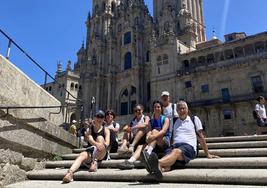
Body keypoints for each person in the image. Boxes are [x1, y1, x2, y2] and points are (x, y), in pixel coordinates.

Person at [142, 101, 219, 179]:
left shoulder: (194, 119)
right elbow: (171, 137)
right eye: (179, 109)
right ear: (177, 111)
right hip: (174, 146)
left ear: (187, 109)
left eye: (183, 108)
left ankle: (154, 164)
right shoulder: (174, 121)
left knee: (176, 152)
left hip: (189, 147)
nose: (181, 111)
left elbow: (201, 137)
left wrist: (208, 154)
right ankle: (161, 169)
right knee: (170, 158)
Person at [62, 110, 110, 183]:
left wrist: (99, 144)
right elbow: (89, 139)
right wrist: (95, 144)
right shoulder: (90, 129)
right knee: (81, 155)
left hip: (102, 153)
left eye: (101, 117)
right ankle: (70, 173)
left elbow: (107, 143)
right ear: (94, 118)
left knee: (100, 138)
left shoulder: (106, 130)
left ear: (103, 119)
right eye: (98, 116)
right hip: (92, 151)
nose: (99, 119)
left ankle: (95, 162)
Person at [117, 104, 150, 169]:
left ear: (142, 110)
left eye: (139, 110)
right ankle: (123, 147)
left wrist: (134, 127)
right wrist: (126, 128)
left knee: (142, 129)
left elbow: (146, 124)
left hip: (142, 139)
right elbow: (128, 128)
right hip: (135, 139)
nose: (137, 112)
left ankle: (131, 147)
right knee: (127, 131)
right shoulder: (133, 120)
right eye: (135, 111)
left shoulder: (146, 117)